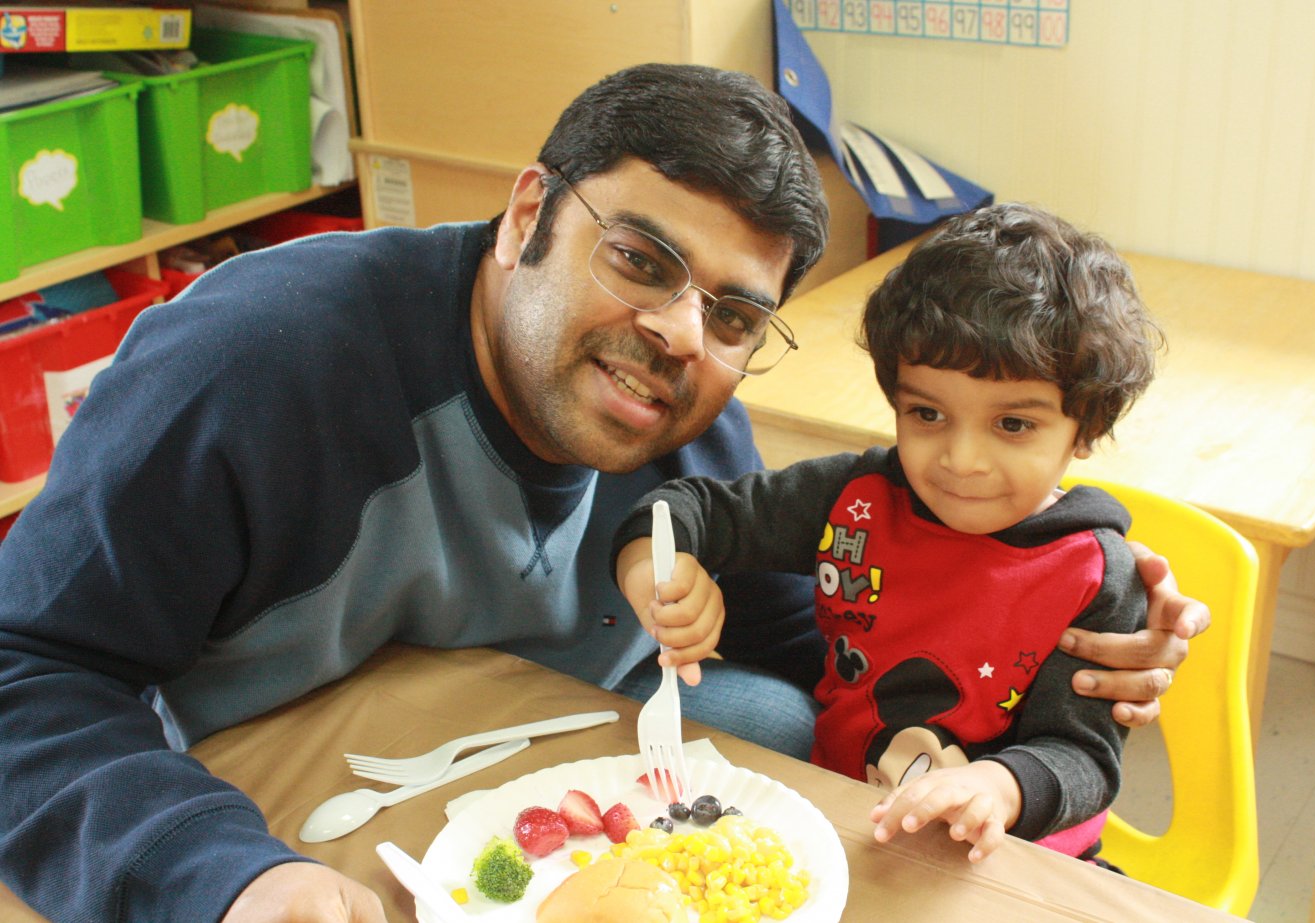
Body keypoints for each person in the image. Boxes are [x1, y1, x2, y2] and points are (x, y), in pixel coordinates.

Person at [0, 64, 1202, 923]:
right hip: (257, 790)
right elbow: (28, 668)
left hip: (544, 780)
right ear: (527, 210)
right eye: (639, 258)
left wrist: (1029, 648)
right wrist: (218, 873)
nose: (678, 333)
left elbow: (806, 638)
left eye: (734, 312)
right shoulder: (257, 365)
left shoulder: (691, 410)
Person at [612, 203, 1165, 864]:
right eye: (927, 413)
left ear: (1088, 428)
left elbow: (1084, 755)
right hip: (840, 828)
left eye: (1013, 425)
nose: (961, 458)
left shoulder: (1094, 573)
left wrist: (998, 783)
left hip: (1015, 862)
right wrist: (655, 564)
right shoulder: (856, 498)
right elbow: (688, 508)